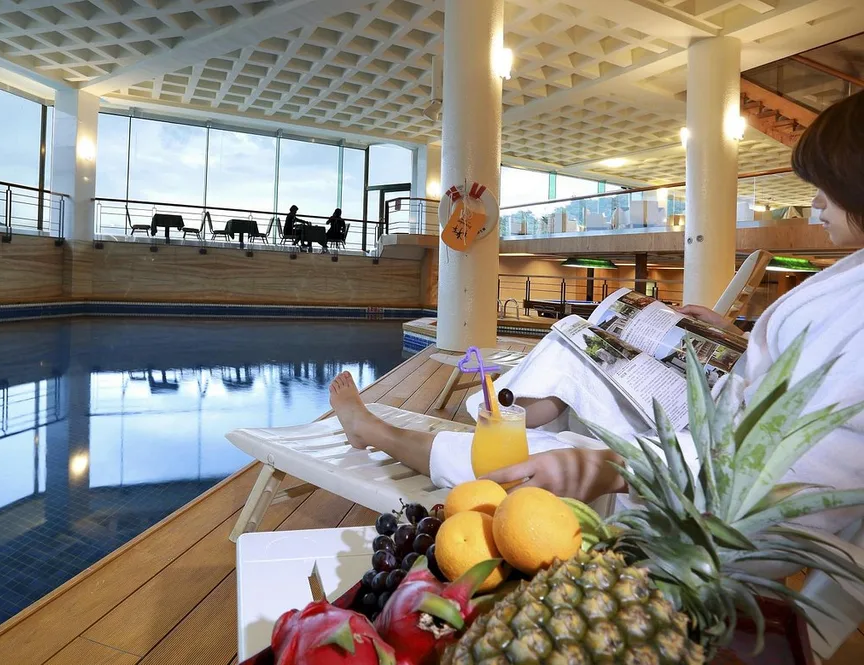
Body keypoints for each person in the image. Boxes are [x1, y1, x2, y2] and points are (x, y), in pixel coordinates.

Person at [328, 91, 864, 536]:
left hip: (724, 489)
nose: (816, 204)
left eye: (827, 187)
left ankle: (398, 431)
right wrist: (730, 336)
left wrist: (615, 466)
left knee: (566, 365)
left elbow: (783, 472)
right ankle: (502, 415)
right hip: (721, 431)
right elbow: (807, 396)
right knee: (584, 339)